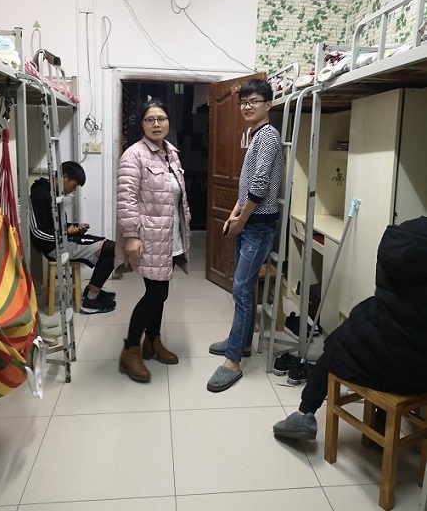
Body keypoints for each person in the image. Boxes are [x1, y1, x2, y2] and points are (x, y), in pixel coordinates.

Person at [273, 216, 427, 441]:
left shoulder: (397, 239)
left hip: (380, 362)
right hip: (418, 374)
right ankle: (381, 422)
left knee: (335, 345)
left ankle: (304, 413)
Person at [207, 78, 283, 393]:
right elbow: (247, 182)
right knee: (244, 289)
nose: (247, 106)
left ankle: (233, 361)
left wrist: (242, 219)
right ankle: (242, 342)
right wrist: (233, 214)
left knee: (240, 290)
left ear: (268, 104)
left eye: (254, 101)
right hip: (249, 220)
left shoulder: (269, 136)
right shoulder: (256, 135)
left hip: (259, 225)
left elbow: (261, 184)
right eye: (244, 102)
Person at [115, 98, 191, 383]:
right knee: (155, 294)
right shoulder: (133, 155)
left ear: (168, 122)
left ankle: (153, 341)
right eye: (150, 119)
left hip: (169, 235)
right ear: (142, 124)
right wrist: (131, 235)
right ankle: (131, 349)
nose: (156, 124)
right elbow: (126, 199)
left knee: (161, 292)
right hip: (148, 236)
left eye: (161, 118)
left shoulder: (171, 154)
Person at [30, 161, 116, 315]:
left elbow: (57, 225)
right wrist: (67, 232)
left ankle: (91, 291)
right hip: (54, 248)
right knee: (112, 249)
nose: (72, 190)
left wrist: (75, 228)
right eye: (74, 185)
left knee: (110, 246)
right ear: (64, 177)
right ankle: (90, 301)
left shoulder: (53, 194)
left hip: (63, 241)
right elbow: (38, 233)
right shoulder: (39, 195)